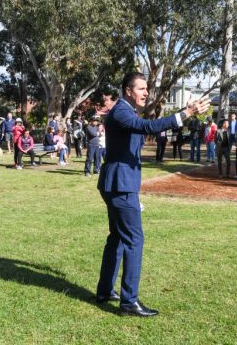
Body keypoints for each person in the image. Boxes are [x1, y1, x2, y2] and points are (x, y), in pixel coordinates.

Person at [96, 72, 210, 317]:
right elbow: (149, 127)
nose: (146, 92)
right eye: (142, 88)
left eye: (146, 88)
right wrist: (186, 113)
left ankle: (105, 291)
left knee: (117, 237)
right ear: (128, 90)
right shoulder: (122, 112)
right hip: (120, 185)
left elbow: (147, 127)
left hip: (117, 184)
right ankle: (129, 302)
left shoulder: (125, 111)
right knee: (134, 240)